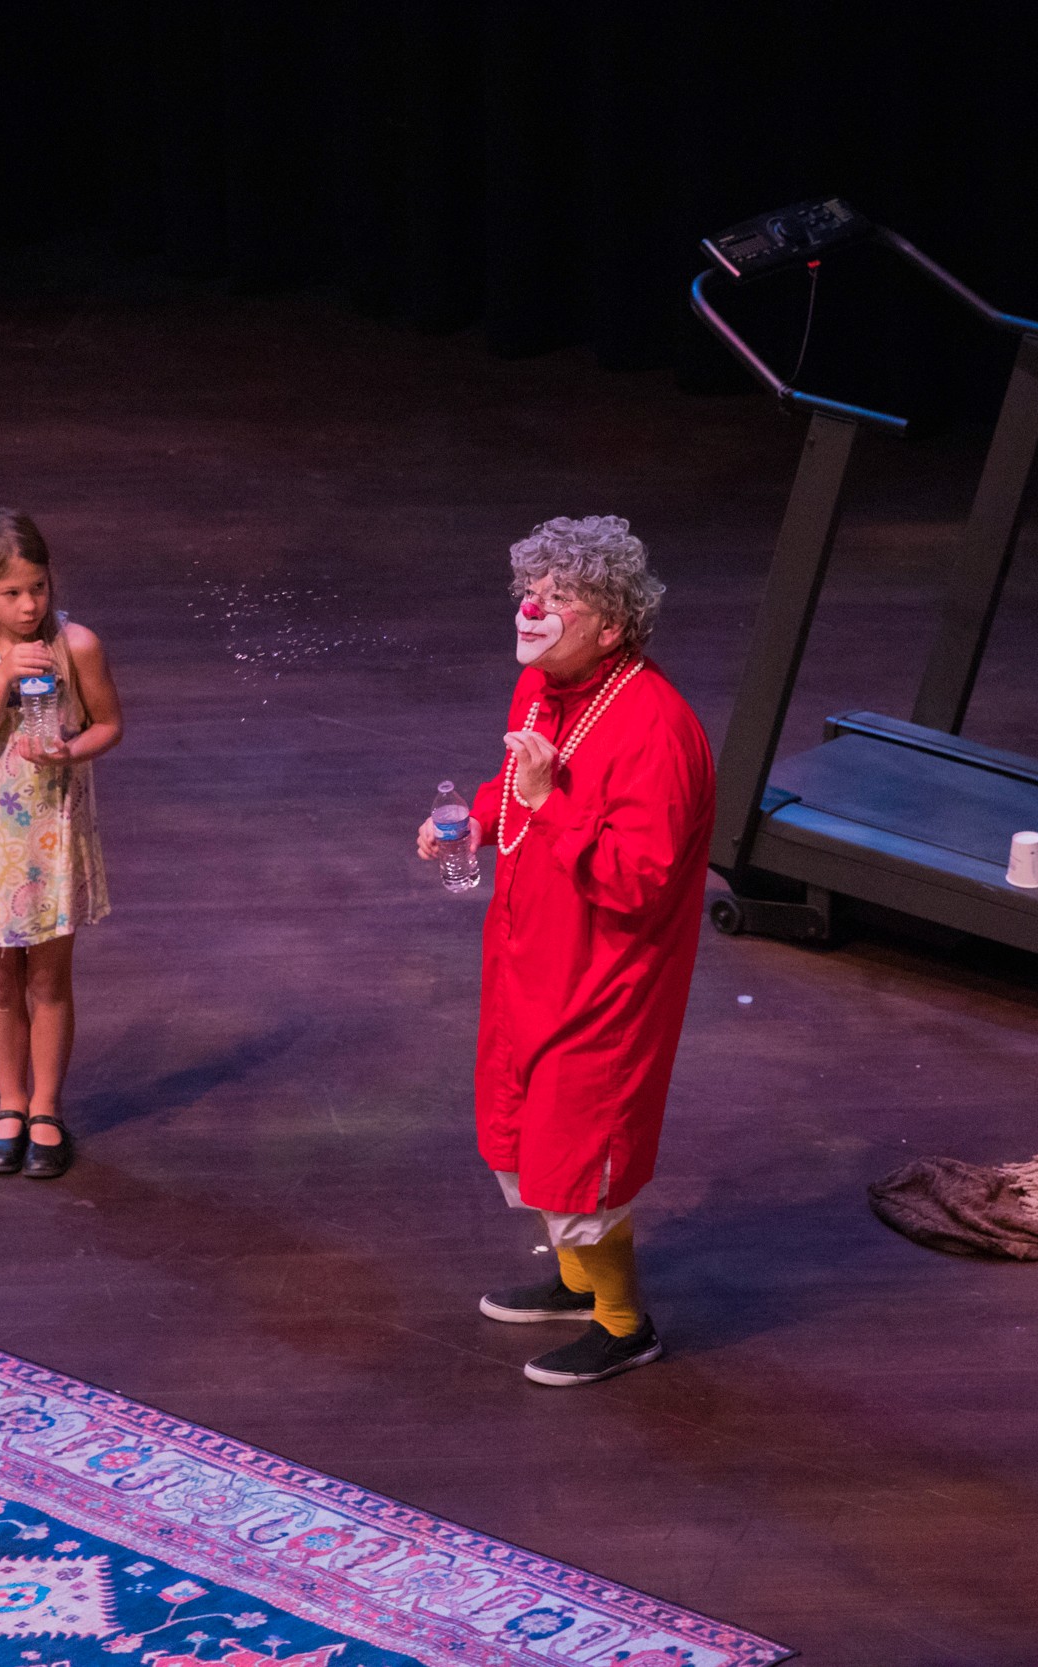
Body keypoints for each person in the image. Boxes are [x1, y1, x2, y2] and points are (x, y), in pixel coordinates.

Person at [415, 515, 714, 1385]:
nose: (531, 609)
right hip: (529, 957)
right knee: (527, 1136)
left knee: (581, 1149)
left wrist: (548, 804)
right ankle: (580, 1285)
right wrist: (479, 818)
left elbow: (638, 880)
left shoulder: (656, 727)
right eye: (529, 591)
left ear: (611, 626)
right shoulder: (543, 684)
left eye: (557, 598)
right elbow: (515, 781)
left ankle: (625, 1324)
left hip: (603, 980)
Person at [0, 509, 122, 1179]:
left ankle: (46, 1105)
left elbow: (109, 724)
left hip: (51, 833)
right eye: (11, 592)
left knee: (47, 976)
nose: (28, 605)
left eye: (37, 587)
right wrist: (3, 677)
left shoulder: (77, 645)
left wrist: (70, 749)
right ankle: (10, 1101)